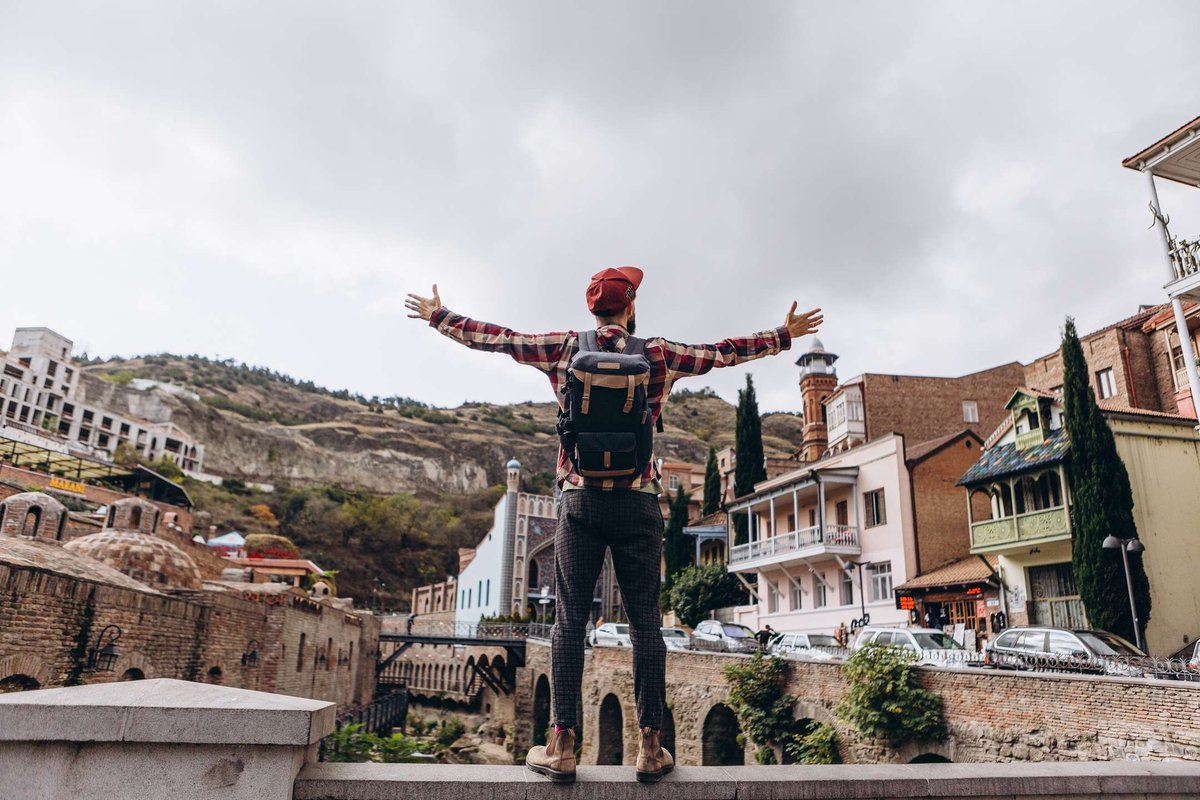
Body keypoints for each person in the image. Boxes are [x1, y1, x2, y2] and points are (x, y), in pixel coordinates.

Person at [406, 267, 822, 783]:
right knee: (648, 624)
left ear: (592, 309)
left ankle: (560, 746)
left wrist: (440, 317)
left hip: (579, 503)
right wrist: (783, 335)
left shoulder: (563, 348)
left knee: (568, 623)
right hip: (639, 505)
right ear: (631, 308)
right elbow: (723, 351)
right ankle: (650, 746)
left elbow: (500, 340)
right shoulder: (658, 354)